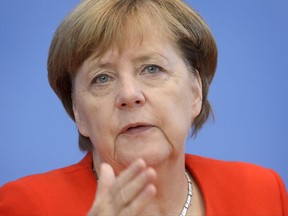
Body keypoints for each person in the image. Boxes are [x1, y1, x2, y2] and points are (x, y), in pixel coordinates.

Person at [0, 0, 287, 215]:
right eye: (102, 78)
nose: (129, 94)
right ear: (78, 113)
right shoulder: (24, 205)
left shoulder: (263, 192)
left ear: (195, 92)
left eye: (152, 68)